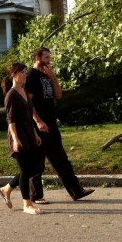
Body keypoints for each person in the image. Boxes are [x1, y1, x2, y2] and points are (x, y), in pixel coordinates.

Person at [25, 47, 94, 202]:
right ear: (37, 58)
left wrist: (53, 78)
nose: (49, 60)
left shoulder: (47, 75)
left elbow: (58, 95)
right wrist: (38, 121)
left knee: (61, 158)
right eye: (46, 57)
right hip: (39, 124)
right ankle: (36, 196)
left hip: (51, 122)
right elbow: (28, 102)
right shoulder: (31, 75)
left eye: (50, 57)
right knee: (38, 161)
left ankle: (76, 191)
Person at [0, 62, 44, 215]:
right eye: (21, 72)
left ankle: (7, 189)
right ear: (13, 75)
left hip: (29, 134)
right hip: (18, 136)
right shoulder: (11, 95)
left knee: (35, 168)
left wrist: (35, 133)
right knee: (25, 170)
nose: (24, 75)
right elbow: (10, 120)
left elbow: (28, 116)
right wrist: (16, 140)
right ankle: (27, 204)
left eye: (25, 72)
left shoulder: (23, 92)